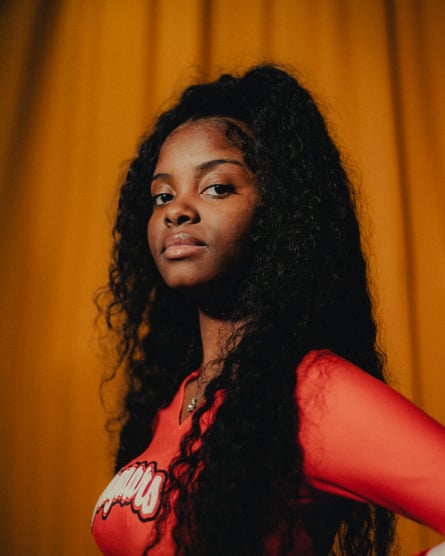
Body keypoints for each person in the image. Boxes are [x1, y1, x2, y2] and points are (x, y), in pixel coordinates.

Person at [91, 65, 445, 555]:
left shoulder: (314, 391)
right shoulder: (174, 396)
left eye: (216, 187)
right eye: (162, 196)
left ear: (279, 213)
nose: (177, 210)